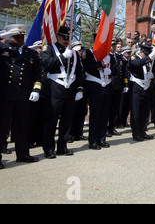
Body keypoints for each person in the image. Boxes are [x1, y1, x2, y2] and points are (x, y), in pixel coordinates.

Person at [0, 24, 42, 169]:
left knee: (22, 127)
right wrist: (2, 39)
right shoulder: (3, 50)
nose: (20, 39)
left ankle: (23, 153)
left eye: (22, 36)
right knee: (2, 128)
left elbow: (37, 74)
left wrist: (36, 90)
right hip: (5, 96)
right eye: (17, 37)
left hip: (23, 96)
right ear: (10, 38)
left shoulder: (30, 53)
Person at [41, 26, 84, 158]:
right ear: (57, 36)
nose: (66, 40)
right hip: (55, 89)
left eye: (68, 37)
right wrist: (62, 58)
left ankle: (62, 146)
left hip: (70, 89)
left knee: (67, 120)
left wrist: (80, 88)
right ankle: (48, 148)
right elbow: (47, 64)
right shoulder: (48, 48)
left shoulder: (74, 53)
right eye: (64, 37)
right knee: (51, 120)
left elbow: (79, 73)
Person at [82, 47, 114, 150]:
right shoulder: (87, 53)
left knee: (104, 115)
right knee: (95, 115)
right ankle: (93, 141)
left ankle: (102, 139)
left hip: (107, 87)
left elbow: (117, 69)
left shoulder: (109, 55)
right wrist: (101, 64)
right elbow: (87, 67)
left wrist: (111, 71)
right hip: (95, 87)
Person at [128, 44, 155, 141]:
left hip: (146, 87)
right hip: (137, 87)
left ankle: (142, 131)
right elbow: (137, 64)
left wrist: (153, 75)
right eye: (146, 54)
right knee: (136, 112)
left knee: (144, 112)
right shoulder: (134, 57)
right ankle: (136, 133)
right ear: (141, 52)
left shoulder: (148, 60)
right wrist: (150, 56)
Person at [118, 46, 132, 128]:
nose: (129, 54)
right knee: (121, 105)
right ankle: (119, 122)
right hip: (123, 85)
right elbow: (124, 75)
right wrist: (125, 84)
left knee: (127, 105)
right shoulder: (122, 61)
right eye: (128, 53)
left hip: (129, 85)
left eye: (130, 53)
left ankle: (124, 120)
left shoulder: (129, 61)